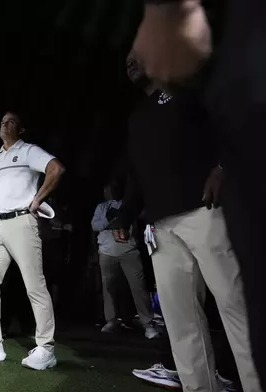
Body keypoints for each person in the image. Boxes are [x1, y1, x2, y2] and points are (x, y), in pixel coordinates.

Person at [132, 2, 266, 388]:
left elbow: (234, 123)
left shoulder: (192, 88)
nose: (131, 62)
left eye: (136, 55)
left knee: (236, 309)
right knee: (180, 323)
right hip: (161, 225)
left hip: (204, 213)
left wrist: (223, 167)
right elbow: (140, 174)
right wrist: (139, 217)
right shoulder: (138, 115)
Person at [0, 111, 65, 370]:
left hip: (22, 222)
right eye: (2, 122)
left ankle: (46, 348)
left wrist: (38, 199)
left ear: (21, 129)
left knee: (34, 285)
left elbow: (56, 169)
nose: (5, 124)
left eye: (11, 122)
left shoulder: (29, 151)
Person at [91, 181, 157, 339]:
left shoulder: (128, 205)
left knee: (138, 287)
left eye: (113, 188)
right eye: (107, 188)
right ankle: (111, 320)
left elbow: (141, 217)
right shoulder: (102, 207)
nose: (110, 191)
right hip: (107, 252)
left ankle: (148, 323)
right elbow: (95, 225)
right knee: (108, 288)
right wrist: (110, 220)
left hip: (129, 251)